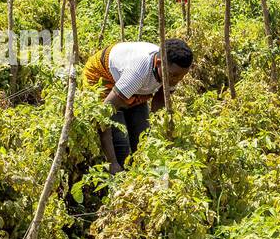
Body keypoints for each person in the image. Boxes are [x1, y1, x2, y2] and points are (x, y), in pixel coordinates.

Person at [82, 39, 195, 173]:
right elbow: (103, 115)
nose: (176, 80)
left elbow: (159, 104)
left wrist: (160, 140)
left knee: (143, 142)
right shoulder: (137, 73)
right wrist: (112, 162)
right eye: (174, 76)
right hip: (102, 76)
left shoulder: (172, 72)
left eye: (182, 76)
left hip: (131, 85)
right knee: (122, 150)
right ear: (159, 63)